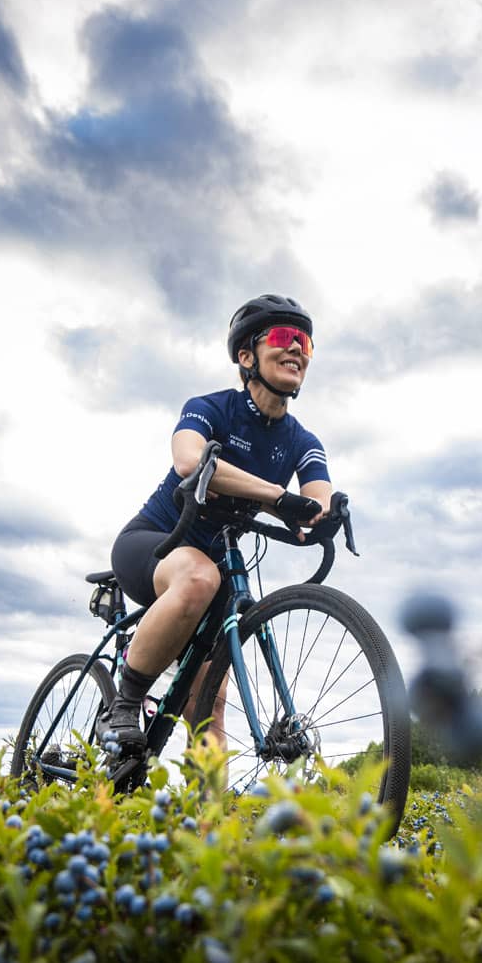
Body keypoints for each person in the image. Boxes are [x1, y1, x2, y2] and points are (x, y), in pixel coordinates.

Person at [104, 294, 333, 753]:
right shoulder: (210, 408)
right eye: (284, 338)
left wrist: (323, 515)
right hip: (154, 543)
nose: (297, 350)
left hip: (214, 570)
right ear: (246, 357)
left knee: (210, 709)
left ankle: (207, 822)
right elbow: (190, 461)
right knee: (199, 576)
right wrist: (276, 497)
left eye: (305, 343)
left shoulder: (302, 441)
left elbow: (316, 500)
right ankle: (125, 703)